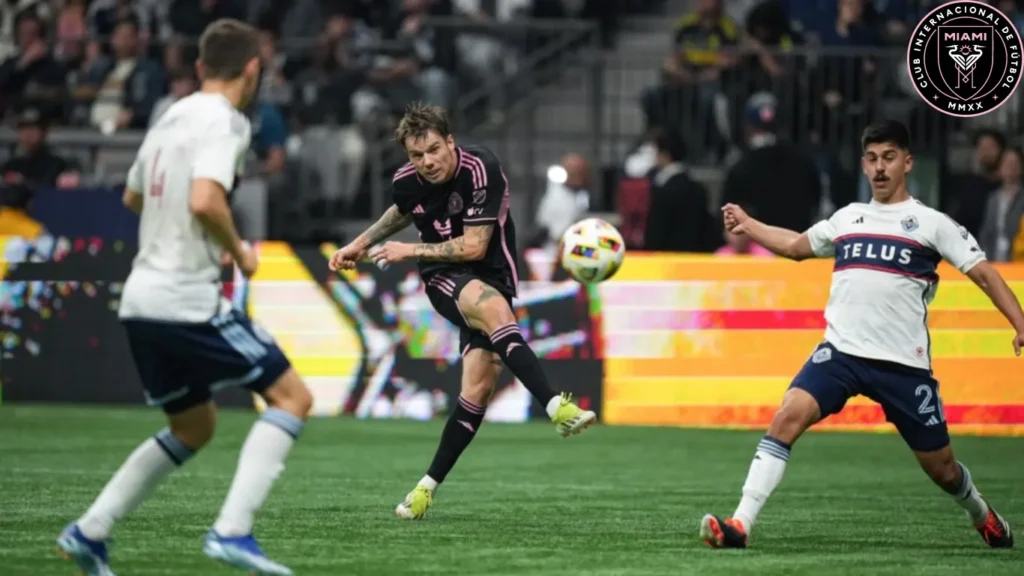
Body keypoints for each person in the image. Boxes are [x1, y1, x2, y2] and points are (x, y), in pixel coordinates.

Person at [56, 19, 311, 576]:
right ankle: (233, 532)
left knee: (194, 427)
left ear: (199, 67)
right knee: (292, 397)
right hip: (183, 299)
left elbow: (131, 196)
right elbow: (203, 199)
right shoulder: (227, 122)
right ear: (252, 70)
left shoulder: (169, 115)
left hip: (141, 299)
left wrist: (191, 232)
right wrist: (238, 251)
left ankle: (89, 530)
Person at [701, 120, 1016, 550]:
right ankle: (740, 524)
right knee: (787, 417)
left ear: (907, 162)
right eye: (871, 159)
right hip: (842, 353)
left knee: (943, 470)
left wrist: (1019, 322)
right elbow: (796, 247)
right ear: (864, 165)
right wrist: (748, 223)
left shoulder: (931, 223)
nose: (879, 168)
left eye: (888, 158)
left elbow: (984, 274)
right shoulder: (849, 218)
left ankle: (980, 513)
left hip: (903, 366)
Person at [328, 102, 597, 520]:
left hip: (492, 272)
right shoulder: (408, 180)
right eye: (416, 155)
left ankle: (422, 491)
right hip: (443, 277)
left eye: (433, 149)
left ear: (449, 142)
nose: (427, 162)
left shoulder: (480, 167)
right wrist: (359, 244)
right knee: (492, 312)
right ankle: (556, 407)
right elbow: (401, 211)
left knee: (477, 392)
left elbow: (473, 246)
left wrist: (407, 249)